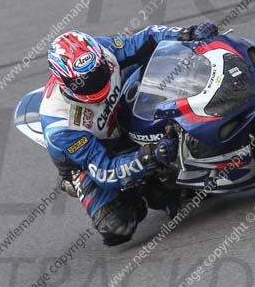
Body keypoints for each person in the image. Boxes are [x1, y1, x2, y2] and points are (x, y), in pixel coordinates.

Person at [40, 23, 219, 246]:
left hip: (119, 114)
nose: (97, 82)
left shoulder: (102, 51)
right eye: (85, 82)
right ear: (65, 82)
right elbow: (104, 169)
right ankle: (142, 188)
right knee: (118, 225)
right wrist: (149, 156)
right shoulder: (62, 125)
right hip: (95, 153)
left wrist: (186, 33)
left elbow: (146, 39)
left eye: (98, 73)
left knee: (157, 65)